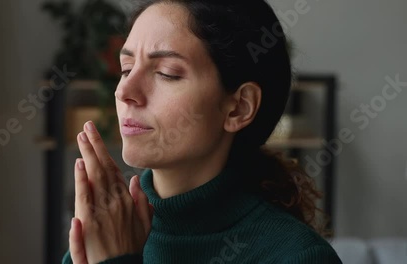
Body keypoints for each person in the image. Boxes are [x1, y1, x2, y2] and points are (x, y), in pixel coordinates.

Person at [62, 0, 342, 263]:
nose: (124, 91)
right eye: (126, 68)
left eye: (167, 73)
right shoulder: (106, 230)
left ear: (238, 108)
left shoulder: (298, 256)